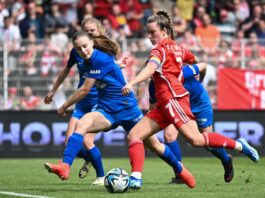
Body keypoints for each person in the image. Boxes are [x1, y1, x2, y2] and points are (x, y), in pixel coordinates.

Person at [122, 10, 259, 189]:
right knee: (134, 135)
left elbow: (150, 68)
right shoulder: (178, 48)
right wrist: (182, 71)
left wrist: (131, 82)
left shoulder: (159, 49)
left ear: (164, 31)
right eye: (147, 32)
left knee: (196, 140)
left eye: (152, 32)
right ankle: (136, 178)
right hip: (166, 103)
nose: (149, 36)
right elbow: (192, 59)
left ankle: (239, 145)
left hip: (174, 99)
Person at [44, 31, 196, 189]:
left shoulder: (99, 59)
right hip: (107, 110)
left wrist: (63, 106)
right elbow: (108, 69)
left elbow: (85, 90)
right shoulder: (89, 61)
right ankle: (65, 166)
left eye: (85, 46)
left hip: (127, 109)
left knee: (155, 146)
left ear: (92, 43)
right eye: (79, 48)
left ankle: (181, 170)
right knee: (82, 124)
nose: (83, 50)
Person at [44, 17, 106, 185]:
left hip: (99, 100)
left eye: (91, 30)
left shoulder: (103, 51)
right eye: (85, 30)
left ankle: (101, 177)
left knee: (86, 140)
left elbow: (111, 68)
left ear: (98, 30)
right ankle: (87, 161)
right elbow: (65, 70)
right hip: (82, 101)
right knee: (70, 143)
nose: (88, 32)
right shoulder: (78, 50)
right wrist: (53, 90)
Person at [149, 63, 234, 183]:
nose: (150, 76)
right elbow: (152, 109)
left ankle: (226, 159)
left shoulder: (182, 71)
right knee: (169, 135)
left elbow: (204, 65)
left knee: (206, 140)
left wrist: (200, 80)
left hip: (199, 103)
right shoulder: (153, 85)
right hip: (179, 106)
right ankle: (180, 175)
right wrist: (148, 135)